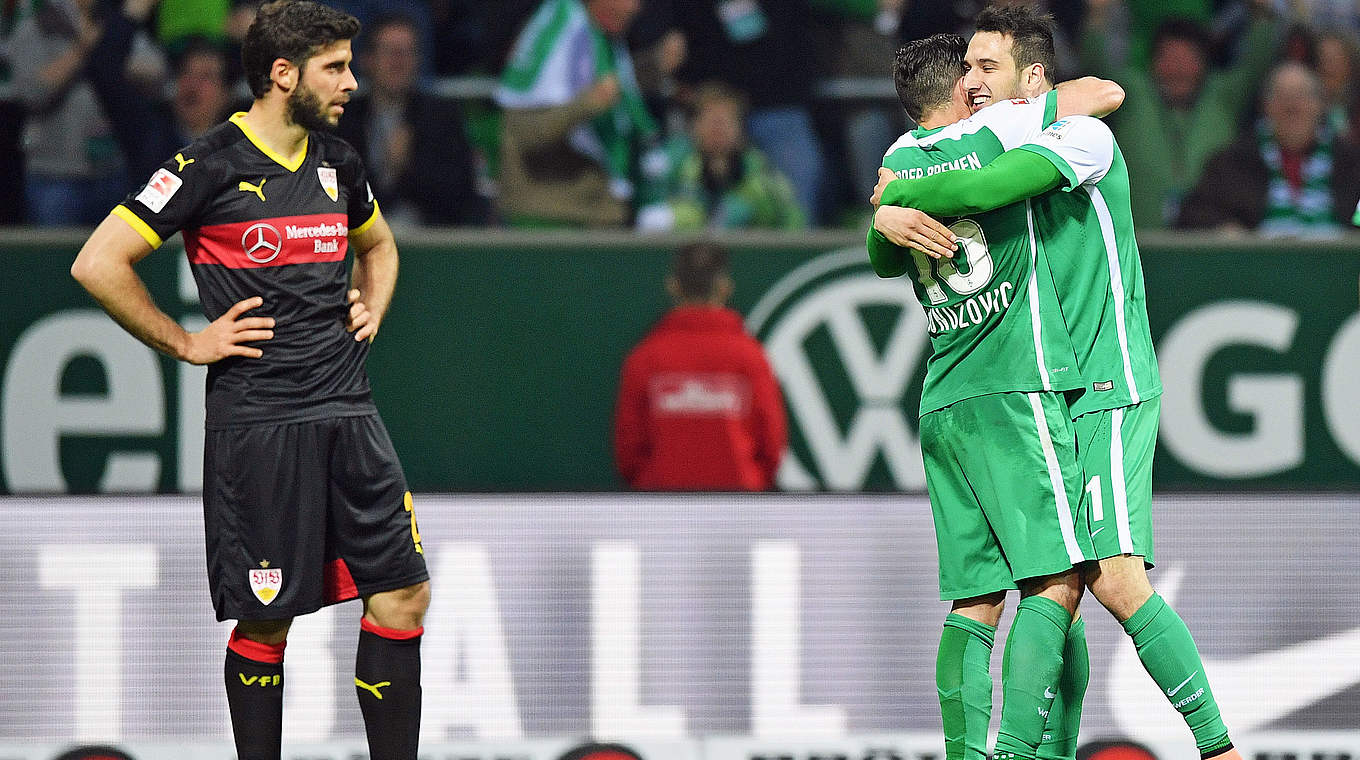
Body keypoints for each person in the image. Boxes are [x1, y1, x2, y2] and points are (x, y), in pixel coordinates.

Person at [872, 7, 1244, 760]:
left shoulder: (1081, 137)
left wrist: (891, 204)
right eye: (966, 70)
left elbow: (988, 181)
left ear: (1033, 77)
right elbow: (958, 183)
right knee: (1061, 591)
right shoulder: (989, 140)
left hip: (1105, 376)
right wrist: (885, 220)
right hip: (1048, 384)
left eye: (986, 69)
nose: (970, 83)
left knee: (1108, 575)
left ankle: (1220, 750)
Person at [68, 3, 429, 760]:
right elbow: (98, 262)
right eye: (335, 68)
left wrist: (374, 304)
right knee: (268, 622)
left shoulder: (339, 163)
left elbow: (383, 247)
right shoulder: (206, 166)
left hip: (350, 413)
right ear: (282, 73)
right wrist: (187, 343)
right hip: (260, 423)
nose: (352, 84)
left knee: (404, 594)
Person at [1078, 0, 1282, 229]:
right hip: (1140, 244)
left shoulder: (1224, 95)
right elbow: (1094, 67)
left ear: (1204, 64)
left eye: (1188, 59)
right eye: (1169, 58)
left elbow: (1258, 63)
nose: (1178, 69)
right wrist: (1097, 14)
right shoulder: (1131, 93)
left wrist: (1261, 12)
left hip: (1210, 243)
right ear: (1152, 63)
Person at [613, 241, 786, 491]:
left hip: (661, 510)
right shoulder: (750, 356)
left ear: (673, 286)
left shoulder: (645, 357)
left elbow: (628, 451)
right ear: (725, 288)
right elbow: (771, 445)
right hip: (738, 508)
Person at [494, 0, 657, 227]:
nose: (635, 8)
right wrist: (587, 103)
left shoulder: (605, 41)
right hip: (548, 220)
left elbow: (619, 95)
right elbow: (523, 135)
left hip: (598, 215)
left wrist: (655, 64)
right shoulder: (557, 33)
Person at [337, 12, 489, 226]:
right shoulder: (343, 118)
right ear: (367, 60)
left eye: (407, 52)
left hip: (428, 240)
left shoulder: (442, 117)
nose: (399, 61)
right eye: (390, 52)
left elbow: (458, 194)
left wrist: (406, 168)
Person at [1177, 61, 1360, 236]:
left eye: (1302, 96)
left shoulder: (1351, 163)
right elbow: (1191, 216)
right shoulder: (1232, 162)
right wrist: (1222, 229)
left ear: (1321, 105)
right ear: (1266, 106)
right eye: (1282, 97)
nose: (1292, 107)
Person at [640, 81, 805, 231]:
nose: (718, 128)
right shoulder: (674, 164)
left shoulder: (760, 170)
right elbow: (653, 212)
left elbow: (792, 217)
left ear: (740, 129)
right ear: (694, 125)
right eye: (711, 119)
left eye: (726, 120)